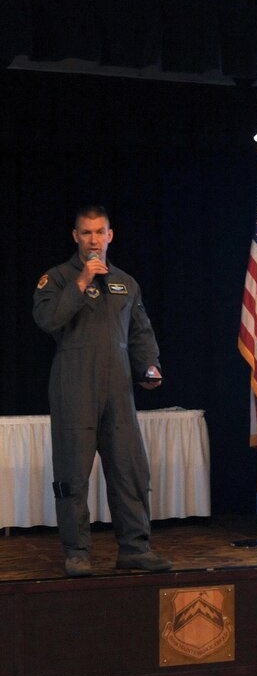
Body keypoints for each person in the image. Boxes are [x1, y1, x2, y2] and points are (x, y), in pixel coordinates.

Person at [33, 206, 173, 577]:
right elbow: (47, 320)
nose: (94, 240)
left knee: (130, 470)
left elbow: (140, 332)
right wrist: (81, 282)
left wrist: (149, 367)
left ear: (110, 235)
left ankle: (135, 548)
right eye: (86, 233)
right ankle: (77, 552)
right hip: (74, 385)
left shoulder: (125, 283)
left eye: (100, 232)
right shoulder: (58, 278)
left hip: (118, 389)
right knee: (73, 474)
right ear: (75, 237)